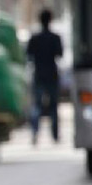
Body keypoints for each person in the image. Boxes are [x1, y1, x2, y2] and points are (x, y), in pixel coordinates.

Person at [27, 8, 63, 144]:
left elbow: (29, 56)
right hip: (52, 74)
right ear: (50, 20)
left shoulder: (34, 38)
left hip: (39, 74)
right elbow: (60, 54)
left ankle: (35, 133)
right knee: (53, 106)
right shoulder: (55, 38)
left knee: (37, 106)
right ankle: (55, 135)